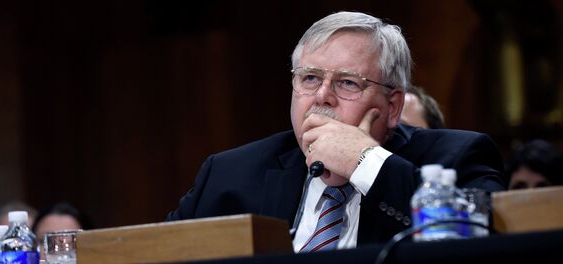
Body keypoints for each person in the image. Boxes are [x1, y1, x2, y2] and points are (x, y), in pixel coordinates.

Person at [166, 11, 504, 252]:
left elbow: (485, 244)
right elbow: (153, 253)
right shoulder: (229, 175)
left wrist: (365, 161)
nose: (321, 97)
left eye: (347, 83)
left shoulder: (458, 157)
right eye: (309, 78)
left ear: (393, 107)